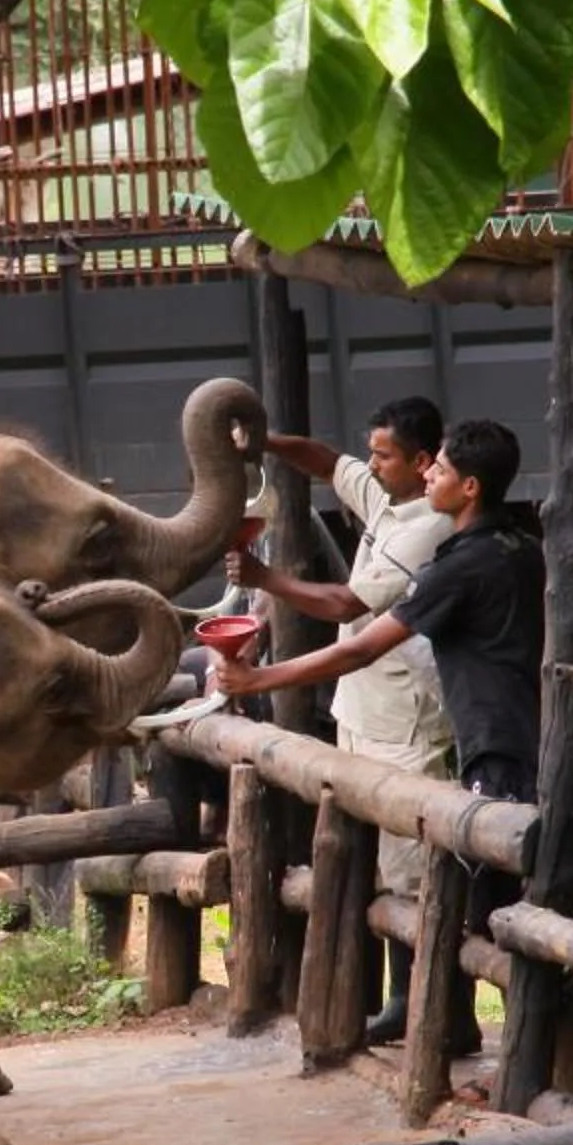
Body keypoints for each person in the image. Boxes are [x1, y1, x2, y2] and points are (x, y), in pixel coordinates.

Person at [212, 421, 545, 1056]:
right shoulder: (517, 544)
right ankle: (489, 1037)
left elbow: (361, 642)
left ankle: (516, 1053)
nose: (428, 476)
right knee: (498, 897)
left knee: (489, 904)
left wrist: (260, 679)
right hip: (510, 733)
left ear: (469, 486)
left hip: (491, 746)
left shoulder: (458, 564)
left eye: (440, 470)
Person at [230, 397, 455, 1044]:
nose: (372, 464)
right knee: (374, 864)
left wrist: (263, 576)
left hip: (406, 722)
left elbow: (345, 604)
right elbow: (326, 461)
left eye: (383, 455)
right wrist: (265, 442)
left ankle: (423, 1011)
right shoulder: (388, 496)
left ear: (421, 462)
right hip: (362, 711)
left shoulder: (427, 528)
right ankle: (395, 1001)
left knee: (411, 870)